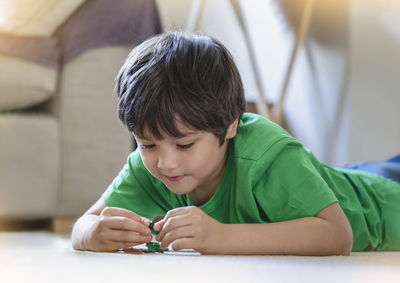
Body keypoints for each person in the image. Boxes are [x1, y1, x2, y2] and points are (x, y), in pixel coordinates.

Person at [71, 32, 400, 255]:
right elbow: (82, 225)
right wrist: (96, 233)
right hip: (342, 177)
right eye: (147, 144)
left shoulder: (267, 155)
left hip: (385, 202)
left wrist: (220, 236)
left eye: (184, 145)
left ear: (230, 126)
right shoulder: (149, 169)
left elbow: (337, 235)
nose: (165, 162)